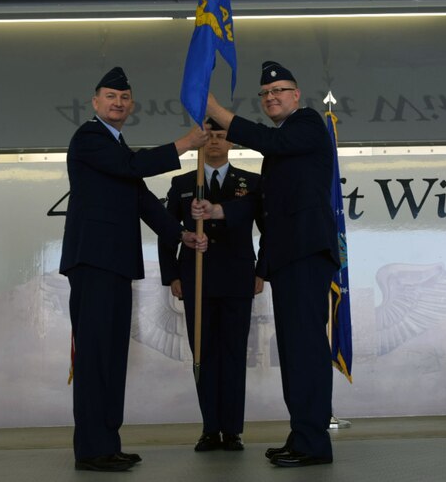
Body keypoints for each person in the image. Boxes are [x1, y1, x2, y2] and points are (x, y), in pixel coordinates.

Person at [59, 66, 209, 472]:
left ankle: (107, 441)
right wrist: (185, 143)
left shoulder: (118, 148)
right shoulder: (90, 138)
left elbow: (142, 200)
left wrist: (182, 235)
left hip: (116, 264)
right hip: (92, 262)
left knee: (111, 356)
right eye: (111, 96)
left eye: (124, 98)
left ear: (132, 106)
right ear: (95, 102)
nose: (118, 103)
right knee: (94, 357)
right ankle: (91, 449)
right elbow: (133, 168)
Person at [191, 61, 340, 468]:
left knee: (306, 349)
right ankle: (303, 436)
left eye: (280, 91)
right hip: (289, 258)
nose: (272, 98)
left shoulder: (308, 124)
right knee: (294, 351)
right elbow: (262, 204)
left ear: (296, 96)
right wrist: (220, 212)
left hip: (306, 254)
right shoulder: (286, 144)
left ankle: (313, 443)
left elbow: (266, 142)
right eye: (265, 94)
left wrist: (218, 111)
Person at [158, 118, 263, 453]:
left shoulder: (252, 182)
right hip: (196, 279)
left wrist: (263, 271)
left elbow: (269, 228)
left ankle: (232, 430)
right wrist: (172, 274)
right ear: (200, 142)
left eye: (221, 135)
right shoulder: (184, 182)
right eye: (210, 136)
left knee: (233, 354)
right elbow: (167, 230)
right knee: (203, 353)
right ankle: (209, 428)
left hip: (236, 279)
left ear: (232, 143)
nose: (215, 141)